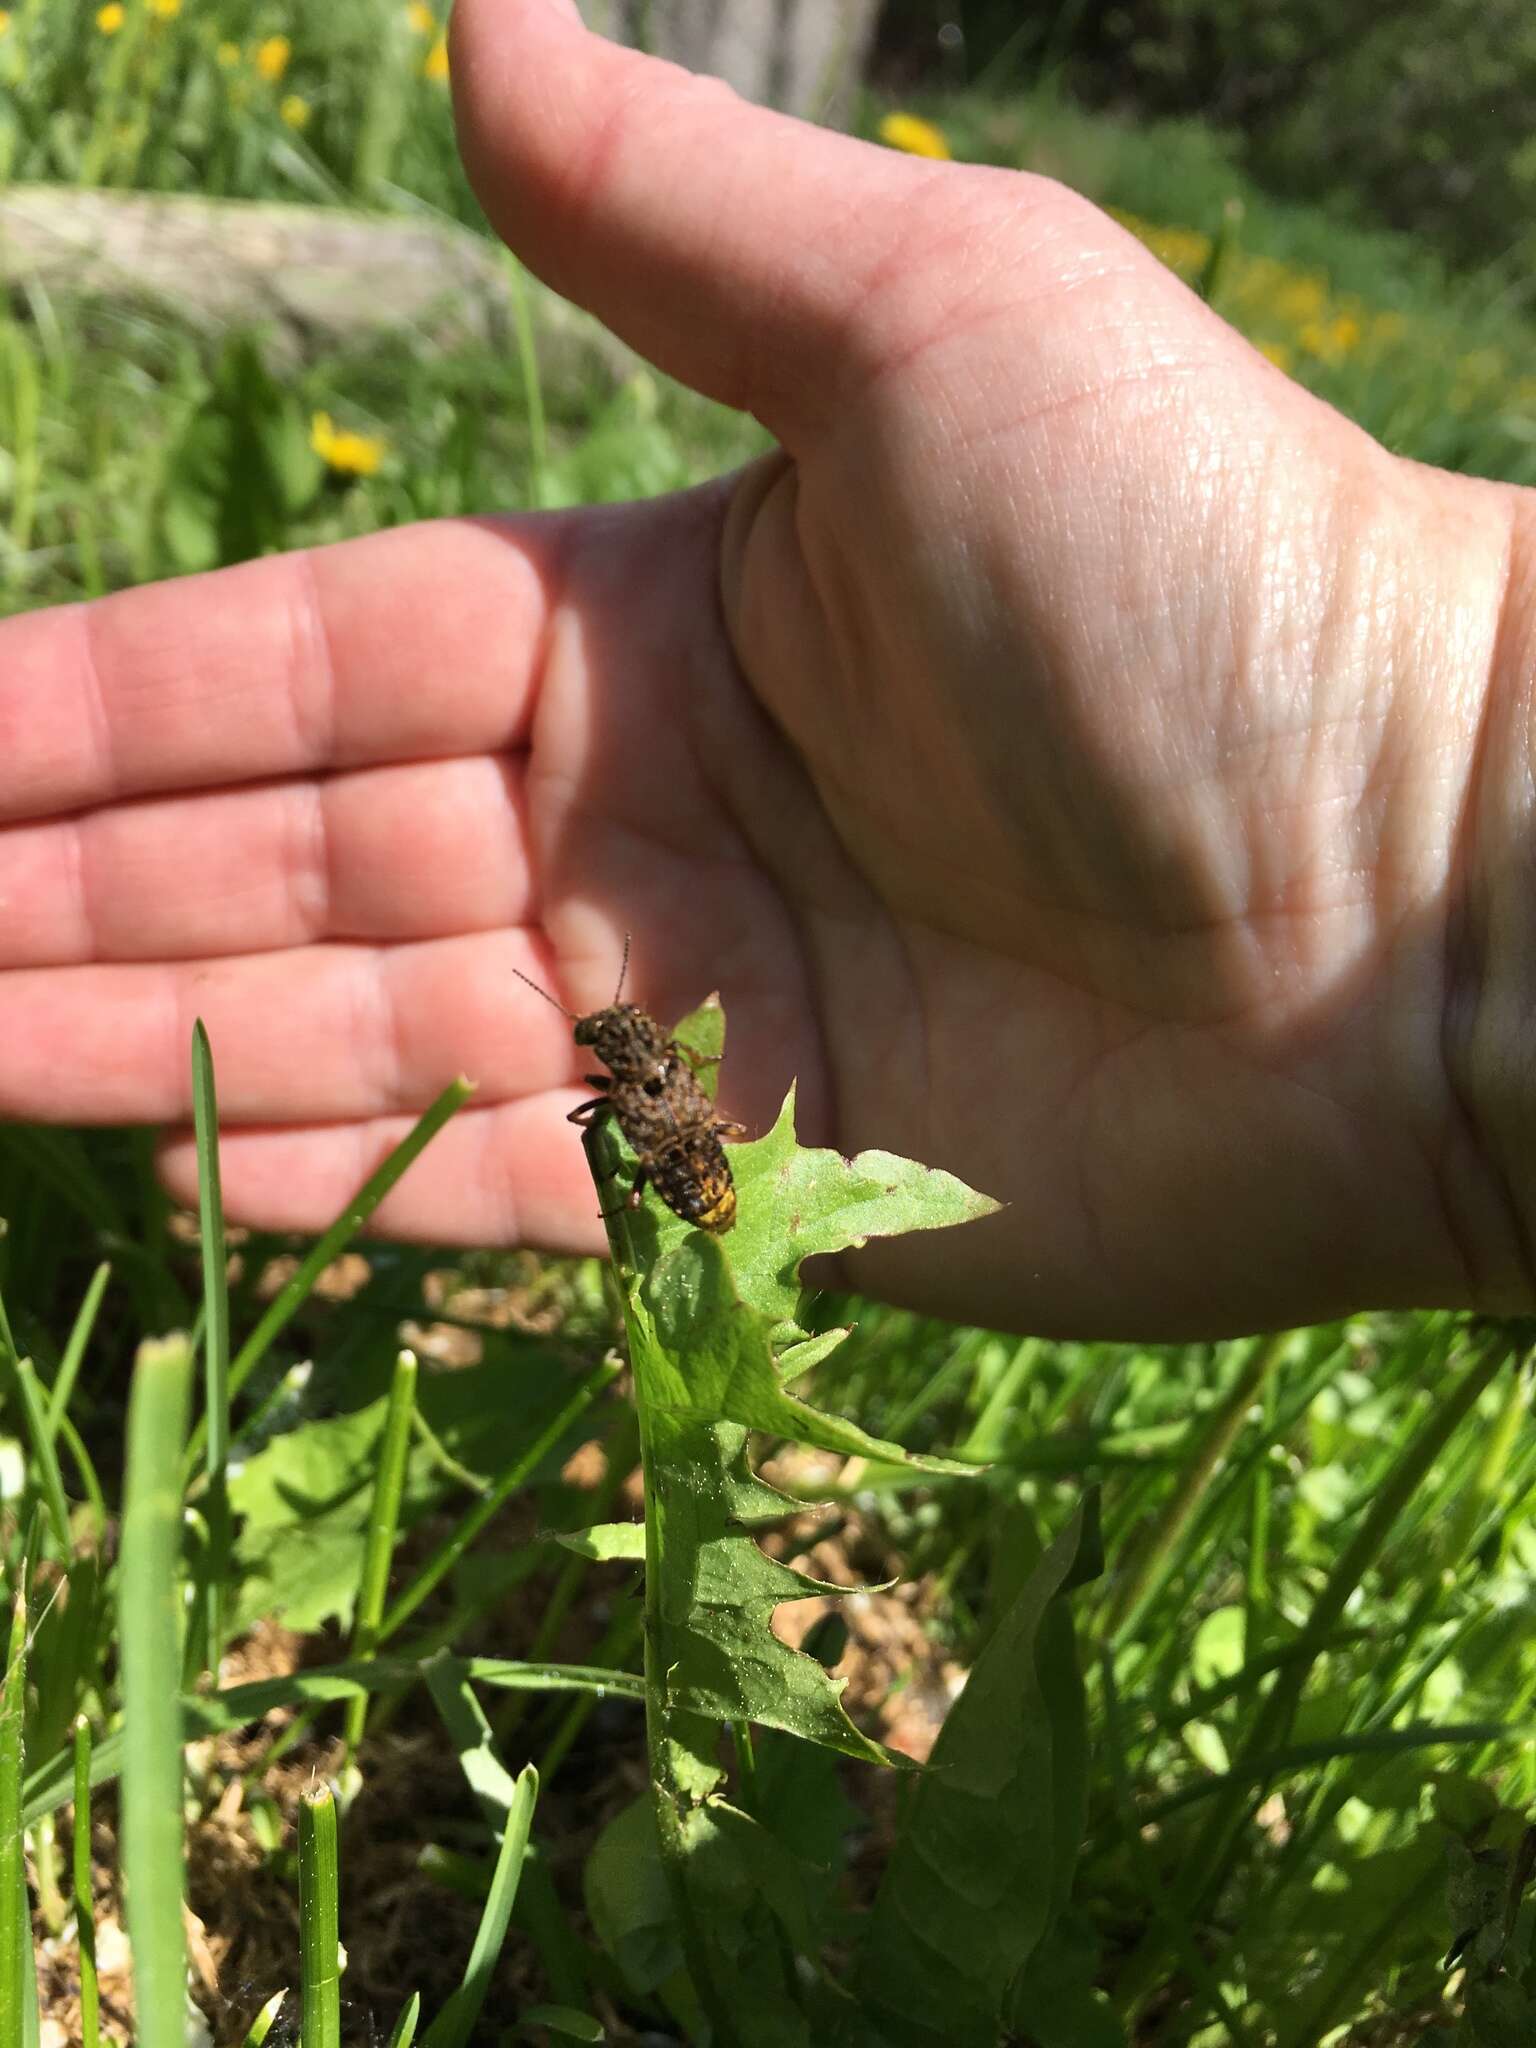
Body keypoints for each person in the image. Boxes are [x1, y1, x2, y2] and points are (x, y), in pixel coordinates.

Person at [1, 0, 1531, 1342]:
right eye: (615, 1046)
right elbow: (648, 1099)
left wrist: (1448, 781)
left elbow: (650, 1104)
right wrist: (1444, 809)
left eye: (614, 1043)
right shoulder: (649, 1072)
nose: (618, 1051)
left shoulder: (650, 1079)